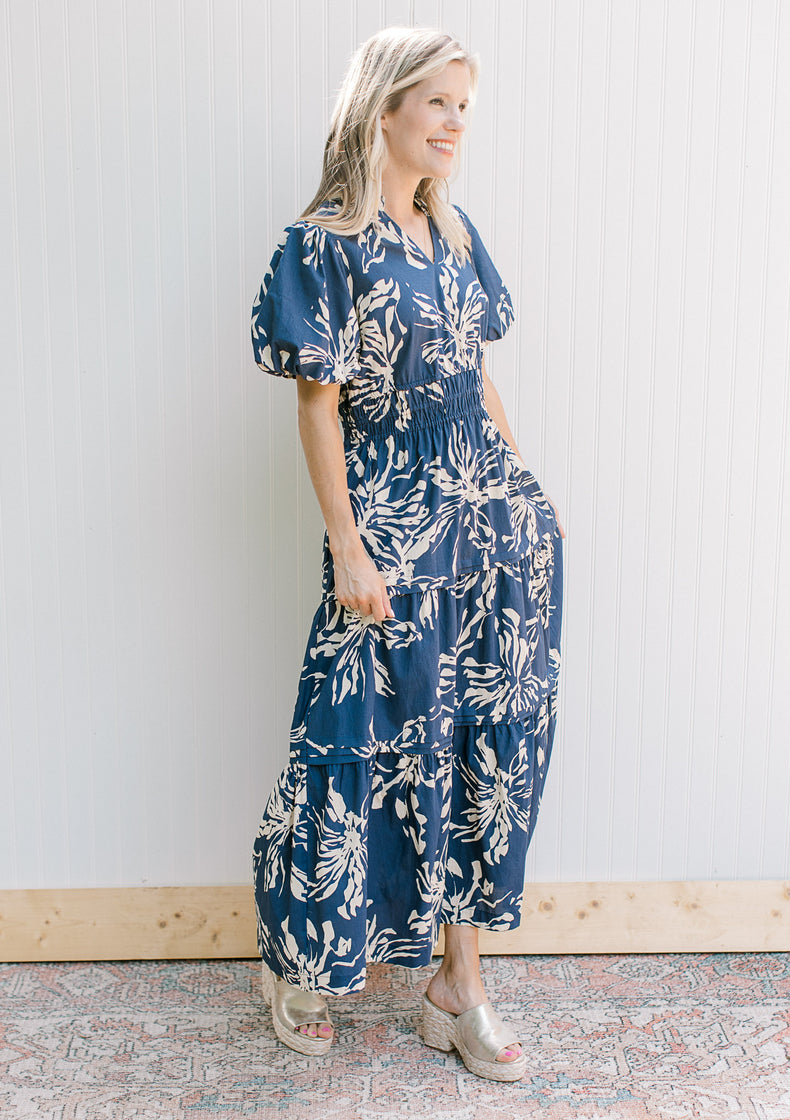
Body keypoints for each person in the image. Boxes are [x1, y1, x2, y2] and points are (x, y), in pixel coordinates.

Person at [249, 26, 564, 1082]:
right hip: (386, 522)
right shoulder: (323, 243)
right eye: (436, 103)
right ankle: (296, 952)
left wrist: (527, 490)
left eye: (463, 106)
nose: (453, 124)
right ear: (382, 107)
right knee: (352, 739)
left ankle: (456, 987)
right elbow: (318, 406)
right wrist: (346, 542)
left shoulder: (455, 233)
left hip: (488, 528)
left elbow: (475, 376)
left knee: (480, 747)